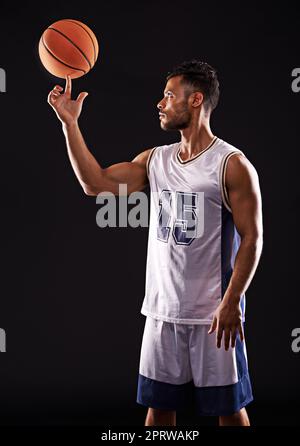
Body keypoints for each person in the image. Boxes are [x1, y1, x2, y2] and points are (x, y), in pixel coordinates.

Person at [47, 60, 263, 427]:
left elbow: (252, 238)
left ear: (195, 100)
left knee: (229, 410)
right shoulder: (156, 160)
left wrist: (231, 304)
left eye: (168, 96)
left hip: (213, 315)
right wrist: (70, 124)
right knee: (159, 411)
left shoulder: (231, 164)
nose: (160, 103)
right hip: (161, 313)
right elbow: (95, 183)